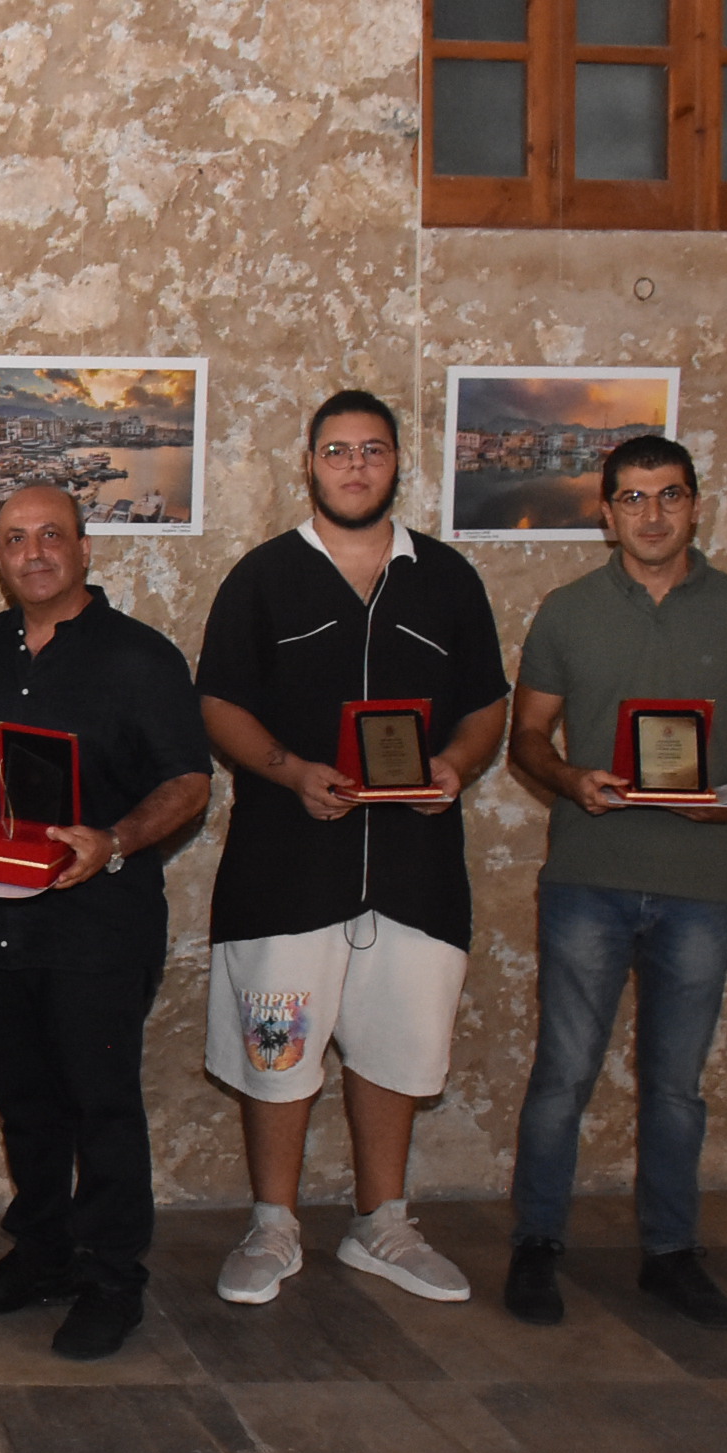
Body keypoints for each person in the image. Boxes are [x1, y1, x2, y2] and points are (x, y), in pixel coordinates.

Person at [195, 390, 510, 1306]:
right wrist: (290, 770)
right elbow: (219, 702)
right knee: (277, 1052)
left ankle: (383, 1224)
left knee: (396, 1050)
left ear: (397, 462)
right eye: (337, 450)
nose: (355, 465)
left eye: (373, 449)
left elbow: (487, 704)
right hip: (286, 870)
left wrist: (456, 764)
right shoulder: (263, 577)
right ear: (310, 464)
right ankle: (272, 1225)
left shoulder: (446, 579)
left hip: (413, 870)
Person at [501, 435, 727, 1332]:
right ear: (607, 515)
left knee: (676, 1086)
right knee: (563, 1075)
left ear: (695, 505)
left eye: (669, 495)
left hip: (699, 884)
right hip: (588, 876)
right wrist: (570, 780)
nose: (652, 514)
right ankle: (536, 1245)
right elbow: (527, 739)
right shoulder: (567, 611)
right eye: (632, 499)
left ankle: (671, 1254)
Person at [0, 488, 211, 1360]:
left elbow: (189, 782)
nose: (34, 552)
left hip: (101, 923)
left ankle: (112, 1279)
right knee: (25, 1103)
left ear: (85, 550)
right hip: (1, 917)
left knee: (102, 1107)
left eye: (51, 535)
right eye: (15, 539)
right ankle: (41, 1254)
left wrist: (115, 839)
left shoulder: (141, 657)